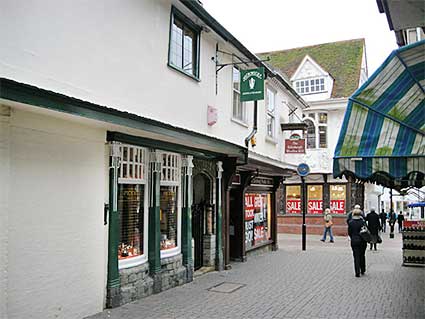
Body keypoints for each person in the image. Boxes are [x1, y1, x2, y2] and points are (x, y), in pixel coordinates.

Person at [348, 207, 367, 277]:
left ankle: (357, 272)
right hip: (362, 241)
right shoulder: (362, 222)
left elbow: (349, 232)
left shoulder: (351, 222)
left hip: (354, 241)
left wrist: (352, 237)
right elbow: (366, 230)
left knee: (356, 256)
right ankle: (363, 269)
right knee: (362, 255)